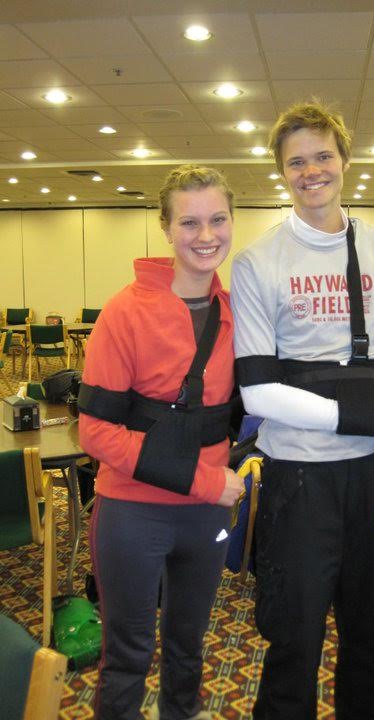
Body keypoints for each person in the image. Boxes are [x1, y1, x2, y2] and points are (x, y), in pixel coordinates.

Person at [230, 101, 374, 720]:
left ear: (344, 160)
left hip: (372, 476)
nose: (311, 171)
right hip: (297, 479)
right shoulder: (258, 262)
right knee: (293, 643)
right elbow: (259, 395)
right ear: (281, 172)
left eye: (322, 156)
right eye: (296, 162)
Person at [78, 165, 244, 720]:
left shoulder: (234, 309)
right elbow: (94, 431)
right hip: (133, 511)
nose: (206, 235)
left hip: (205, 515)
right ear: (166, 228)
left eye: (218, 219)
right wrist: (205, 482)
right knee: (128, 652)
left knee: (188, 644)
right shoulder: (124, 312)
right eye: (189, 222)